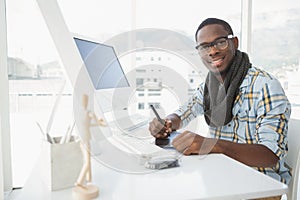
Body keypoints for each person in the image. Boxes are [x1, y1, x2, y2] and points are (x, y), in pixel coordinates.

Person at [149, 18, 291, 199]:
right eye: (204, 47)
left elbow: (270, 156)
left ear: (234, 42)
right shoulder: (210, 86)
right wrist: (166, 123)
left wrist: (212, 145)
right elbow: (185, 111)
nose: (213, 51)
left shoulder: (265, 85)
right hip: (220, 179)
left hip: (259, 186)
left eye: (220, 42)